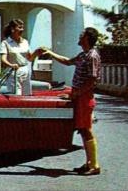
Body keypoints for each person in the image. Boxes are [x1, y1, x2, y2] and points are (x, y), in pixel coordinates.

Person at [42, 27, 102, 176]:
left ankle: (94, 165)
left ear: (87, 38)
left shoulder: (92, 56)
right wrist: (50, 53)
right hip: (79, 96)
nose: (79, 37)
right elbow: (68, 62)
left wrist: (77, 94)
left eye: (82, 36)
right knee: (82, 130)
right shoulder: (83, 55)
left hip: (85, 98)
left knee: (86, 129)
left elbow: (92, 80)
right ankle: (89, 163)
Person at [0, 18, 44, 95]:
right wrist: (11, 65)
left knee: (27, 96)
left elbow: (30, 58)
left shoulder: (25, 42)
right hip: (13, 72)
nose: (22, 29)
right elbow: (3, 59)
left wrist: (37, 52)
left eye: (22, 27)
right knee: (16, 95)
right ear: (12, 29)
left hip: (25, 71)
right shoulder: (6, 43)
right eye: (19, 27)